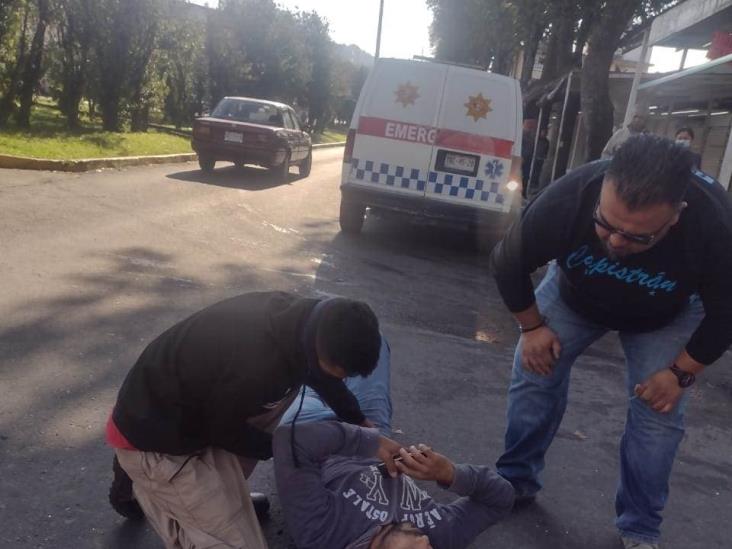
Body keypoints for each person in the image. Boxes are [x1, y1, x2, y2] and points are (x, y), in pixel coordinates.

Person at [489, 134, 732, 549]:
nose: (617, 241)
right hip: (574, 296)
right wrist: (531, 329)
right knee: (534, 377)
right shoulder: (570, 196)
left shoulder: (715, 225)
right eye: (606, 223)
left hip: (666, 315)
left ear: (677, 215)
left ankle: (640, 528)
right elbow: (508, 261)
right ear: (602, 191)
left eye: (639, 237)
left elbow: (727, 314)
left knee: (657, 415)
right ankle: (515, 480)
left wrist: (680, 373)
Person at [106, 291, 401, 549]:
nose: (346, 379)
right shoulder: (258, 365)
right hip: (156, 440)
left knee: (274, 409)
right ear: (322, 350)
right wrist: (288, 449)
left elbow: (325, 377)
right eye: (343, 371)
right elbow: (224, 430)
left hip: (195, 408)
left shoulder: (307, 321)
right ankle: (148, 486)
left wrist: (360, 423)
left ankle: (209, 496)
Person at [273, 344, 515, 549]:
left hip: (315, 430)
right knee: (369, 343)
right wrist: (449, 473)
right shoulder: (442, 533)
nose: (426, 545)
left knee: (309, 362)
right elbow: (501, 498)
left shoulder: (323, 534)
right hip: (374, 437)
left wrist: (364, 439)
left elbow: (292, 440)